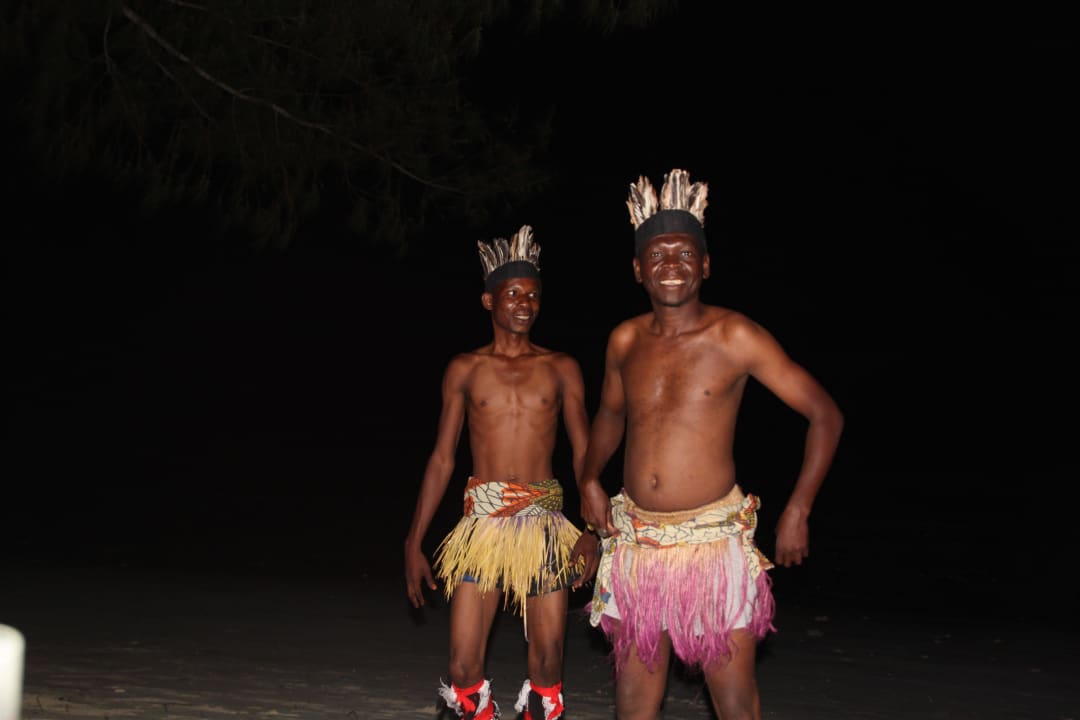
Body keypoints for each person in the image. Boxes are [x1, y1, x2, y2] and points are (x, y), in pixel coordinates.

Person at [577, 169, 845, 720]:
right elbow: (608, 415)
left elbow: (824, 414)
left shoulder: (735, 336)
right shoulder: (624, 340)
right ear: (637, 268)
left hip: (712, 543)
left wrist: (798, 509)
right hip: (637, 545)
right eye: (657, 254)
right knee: (633, 703)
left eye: (683, 254)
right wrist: (587, 479)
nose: (670, 265)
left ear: (705, 264)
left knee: (733, 699)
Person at [404, 224, 600, 720]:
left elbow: (585, 455)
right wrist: (414, 541)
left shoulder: (561, 368)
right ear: (489, 301)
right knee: (464, 666)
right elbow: (442, 459)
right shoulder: (465, 369)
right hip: (483, 525)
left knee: (549, 661)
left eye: (533, 294)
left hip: (546, 524)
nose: (524, 302)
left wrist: (594, 531)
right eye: (513, 293)